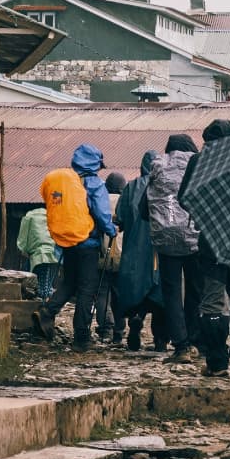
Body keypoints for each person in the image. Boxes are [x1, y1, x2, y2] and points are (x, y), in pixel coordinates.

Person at [180, 118, 230, 377]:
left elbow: (184, 197)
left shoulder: (199, 161)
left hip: (212, 238)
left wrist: (203, 213)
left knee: (213, 300)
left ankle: (217, 362)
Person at [32, 144, 117, 352]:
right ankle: (81, 337)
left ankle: (47, 313)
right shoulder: (94, 183)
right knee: (87, 289)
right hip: (88, 243)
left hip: (67, 243)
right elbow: (101, 212)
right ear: (95, 163)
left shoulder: (66, 181)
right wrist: (111, 230)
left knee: (69, 282)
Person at [149, 133, 203, 365]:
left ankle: (181, 345)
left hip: (166, 237)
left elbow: (146, 204)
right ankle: (195, 341)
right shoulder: (200, 163)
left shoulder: (158, 165)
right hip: (195, 237)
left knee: (171, 293)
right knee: (196, 290)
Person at [115, 151, 167, 352]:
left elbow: (119, 218)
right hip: (160, 248)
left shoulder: (131, 187)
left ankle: (136, 320)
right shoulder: (164, 186)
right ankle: (160, 339)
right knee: (160, 293)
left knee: (136, 290)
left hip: (135, 249)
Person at [93, 171, 128, 344]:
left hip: (102, 253)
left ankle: (105, 328)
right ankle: (119, 331)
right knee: (119, 293)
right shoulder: (126, 201)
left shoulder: (101, 200)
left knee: (102, 292)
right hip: (122, 255)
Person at [15, 206, 58, 301]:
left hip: (37, 255)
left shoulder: (29, 216)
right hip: (52, 253)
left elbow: (23, 237)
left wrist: (23, 249)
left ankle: (40, 306)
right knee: (47, 283)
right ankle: (45, 304)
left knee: (33, 284)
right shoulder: (51, 216)